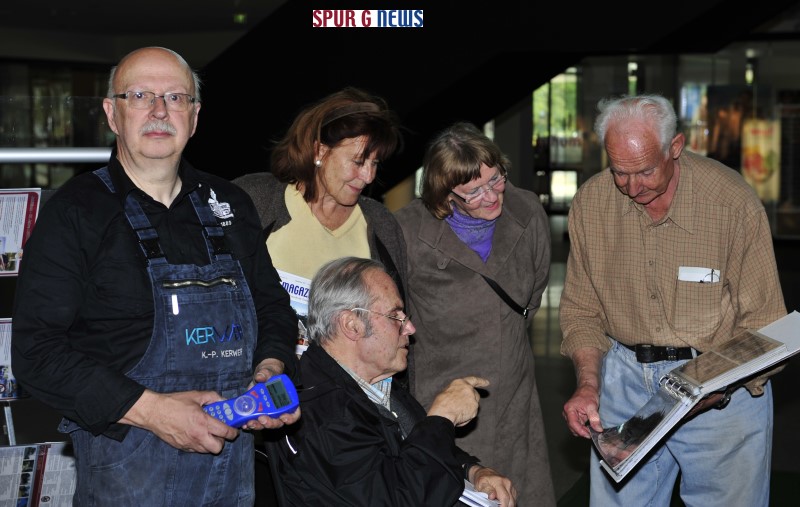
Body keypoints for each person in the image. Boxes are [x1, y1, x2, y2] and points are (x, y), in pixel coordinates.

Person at [10, 46, 300, 506]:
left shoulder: (231, 204)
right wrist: (155, 412)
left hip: (231, 466)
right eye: (141, 95)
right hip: (128, 468)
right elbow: (35, 352)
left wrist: (269, 371)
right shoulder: (75, 212)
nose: (160, 111)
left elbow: (272, 308)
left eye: (176, 98)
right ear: (112, 112)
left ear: (196, 115)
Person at [559, 94, 786, 506]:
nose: (631, 187)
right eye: (618, 172)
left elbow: (767, 327)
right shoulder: (592, 204)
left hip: (720, 388)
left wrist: (710, 386)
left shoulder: (731, 203)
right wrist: (588, 385)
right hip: (624, 386)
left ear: (675, 147)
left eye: (644, 171)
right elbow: (580, 310)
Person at [394, 122, 556, 506]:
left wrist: (501, 339)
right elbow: (395, 312)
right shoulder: (405, 230)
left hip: (514, 390)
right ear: (444, 194)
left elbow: (533, 295)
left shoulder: (527, 211)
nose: (491, 196)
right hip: (443, 395)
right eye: (473, 192)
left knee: (519, 489)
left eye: (496, 179)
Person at [270, 256, 517, 506]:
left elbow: (419, 449)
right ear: (351, 325)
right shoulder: (322, 412)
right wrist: (443, 418)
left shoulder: (377, 382)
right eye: (395, 316)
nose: (409, 328)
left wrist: (474, 472)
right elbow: (399, 498)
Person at [232, 87, 408, 365]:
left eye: (375, 163)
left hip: (342, 400)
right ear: (320, 151)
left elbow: (396, 324)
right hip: (256, 382)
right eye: (358, 161)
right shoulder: (254, 200)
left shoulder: (380, 225)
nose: (368, 176)